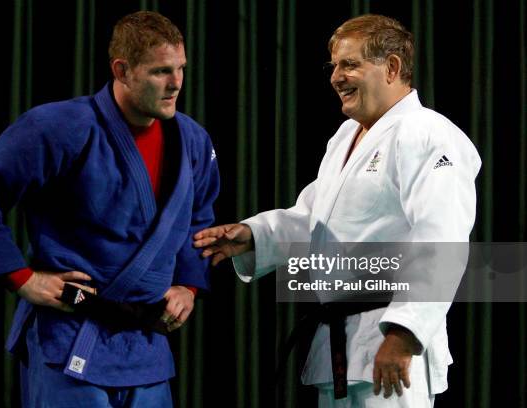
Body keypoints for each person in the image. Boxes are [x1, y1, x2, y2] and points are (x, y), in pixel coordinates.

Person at [194, 14, 480, 407]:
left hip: (389, 346)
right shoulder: (347, 135)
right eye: (334, 66)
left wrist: (405, 334)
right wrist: (252, 236)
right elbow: (316, 219)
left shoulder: (428, 134)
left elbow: (441, 238)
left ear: (392, 67)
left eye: (350, 64)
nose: (335, 77)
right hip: (341, 347)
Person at [0, 11, 219, 407]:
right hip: (71, 334)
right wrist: (22, 279)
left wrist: (188, 286)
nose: (176, 83)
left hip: (146, 348)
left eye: (180, 68)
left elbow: (200, 219)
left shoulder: (193, 140)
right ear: (122, 70)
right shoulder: (59, 127)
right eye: (161, 71)